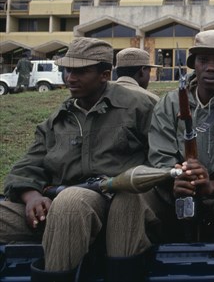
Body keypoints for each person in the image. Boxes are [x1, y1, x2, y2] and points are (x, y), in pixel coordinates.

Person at [108, 30, 214, 281]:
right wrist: (175, 176)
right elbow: (159, 153)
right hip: (172, 195)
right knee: (127, 199)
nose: (210, 68)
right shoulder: (171, 103)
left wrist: (213, 184)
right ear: (194, 64)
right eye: (204, 60)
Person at [0, 37, 155, 281]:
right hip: (55, 202)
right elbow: (27, 166)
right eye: (68, 69)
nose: (71, 77)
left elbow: (162, 159)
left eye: (81, 71)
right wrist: (32, 196)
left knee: (71, 202)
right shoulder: (59, 118)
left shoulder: (138, 107)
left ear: (104, 74)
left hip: (115, 201)